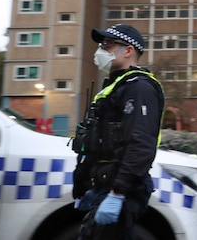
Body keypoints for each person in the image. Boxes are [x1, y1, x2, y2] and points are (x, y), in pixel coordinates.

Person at [72, 24, 165, 240]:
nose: (101, 51)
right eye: (101, 45)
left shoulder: (139, 88)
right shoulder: (116, 87)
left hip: (122, 191)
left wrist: (117, 194)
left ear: (128, 50)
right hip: (105, 188)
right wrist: (84, 186)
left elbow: (140, 145)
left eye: (108, 45)